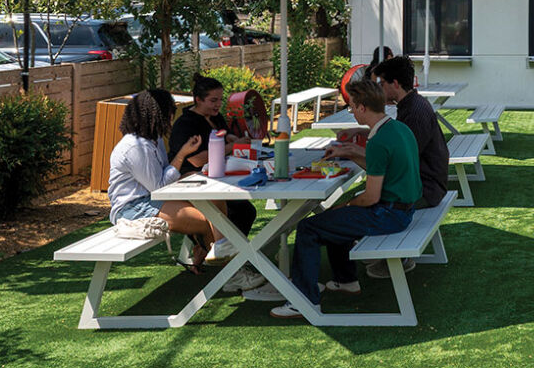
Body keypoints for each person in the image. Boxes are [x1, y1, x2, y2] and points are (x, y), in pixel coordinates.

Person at [271, 78, 418, 320]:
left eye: (351, 107)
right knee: (335, 219)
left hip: (389, 215)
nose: (351, 112)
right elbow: (379, 167)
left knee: (308, 227)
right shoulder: (398, 128)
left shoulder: (378, 141)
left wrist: (346, 204)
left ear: (362, 108)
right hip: (404, 208)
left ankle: (304, 300)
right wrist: (348, 151)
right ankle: (345, 280)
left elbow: (370, 197)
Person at [324, 55, 448, 278]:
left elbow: (396, 161)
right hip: (426, 182)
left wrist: (351, 151)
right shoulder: (411, 104)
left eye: (381, 83)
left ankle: (380, 260)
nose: (377, 89)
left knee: (356, 206)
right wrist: (360, 133)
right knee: (364, 197)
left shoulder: (414, 112)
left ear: (395, 84)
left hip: (424, 189)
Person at [167, 74, 263, 291]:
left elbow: (224, 136)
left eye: (220, 100)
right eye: (213, 100)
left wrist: (235, 140)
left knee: (246, 210)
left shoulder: (215, 117)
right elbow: (196, 159)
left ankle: (228, 255)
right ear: (198, 99)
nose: (218, 105)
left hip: (218, 176)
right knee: (234, 211)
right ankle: (227, 262)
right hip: (190, 181)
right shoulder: (185, 124)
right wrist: (230, 146)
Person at [106, 91, 216, 267]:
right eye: (170, 111)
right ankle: (230, 272)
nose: (172, 116)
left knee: (216, 205)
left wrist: (184, 175)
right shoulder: (135, 147)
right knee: (207, 220)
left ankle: (213, 255)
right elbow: (158, 188)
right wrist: (182, 154)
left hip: (153, 198)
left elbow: (162, 175)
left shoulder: (153, 139)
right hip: (133, 208)